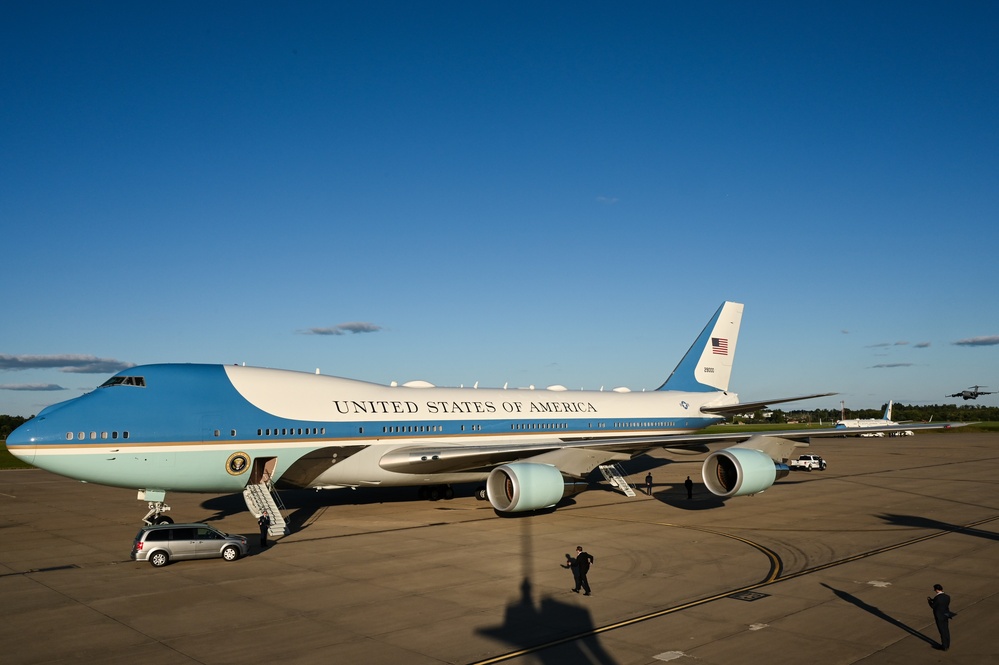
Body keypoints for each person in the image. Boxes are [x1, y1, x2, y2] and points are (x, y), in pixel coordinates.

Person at [927, 583, 953, 650]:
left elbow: (933, 606)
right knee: (946, 630)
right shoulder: (947, 597)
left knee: (942, 631)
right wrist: (933, 600)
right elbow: (941, 603)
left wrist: (929, 601)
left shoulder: (937, 598)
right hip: (945, 615)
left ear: (937, 590)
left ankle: (944, 646)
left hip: (939, 616)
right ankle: (948, 644)